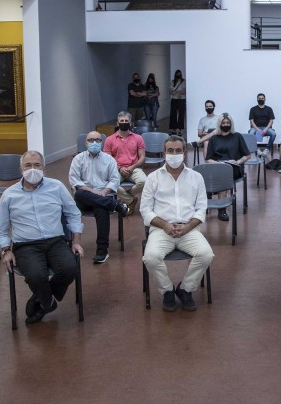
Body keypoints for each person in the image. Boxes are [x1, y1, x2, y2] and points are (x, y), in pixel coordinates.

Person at [0, 150, 84, 325]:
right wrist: (6, 250)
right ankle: (48, 303)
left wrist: (76, 241)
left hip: (56, 240)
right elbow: (1, 228)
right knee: (36, 275)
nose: (33, 169)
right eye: (28, 166)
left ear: (44, 168)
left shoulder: (57, 187)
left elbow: (73, 213)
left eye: (37, 165)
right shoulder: (9, 195)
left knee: (69, 269)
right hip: (26, 245)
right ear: (21, 170)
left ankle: (41, 298)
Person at [141, 135, 214, 312]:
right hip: (161, 229)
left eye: (178, 150)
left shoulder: (196, 177)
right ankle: (167, 290)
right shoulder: (153, 178)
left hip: (189, 228)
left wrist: (188, 227)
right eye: (170, 151)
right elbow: (145, 209)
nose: (174, 154)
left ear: (184, 152)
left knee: (206, 255)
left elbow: (201, 207)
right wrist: (165, 225)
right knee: (150, 258)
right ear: (164, 153)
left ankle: (185, 289)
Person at [69, 131, 129, 264]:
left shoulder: (109, 160)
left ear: (102, 142)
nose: (94, 143)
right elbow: (75, 182)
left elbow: (114, 180)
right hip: (84, 198)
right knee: (80, 193)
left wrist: (104, 192)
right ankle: (115, 204)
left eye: (97, 140)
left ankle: (102, 250)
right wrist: (94, 192)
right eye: (90, 140)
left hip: (103, 196)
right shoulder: (78, 159)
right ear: (85, 143)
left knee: (100, 207)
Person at [205, 113, 252, 221]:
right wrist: (219, 164)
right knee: (219, 173)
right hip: (218, 166)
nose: (226, 124)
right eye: (223, 123)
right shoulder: (214, 138)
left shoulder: (237, 136)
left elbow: (247, 155)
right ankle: (219, 202)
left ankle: (222, 209)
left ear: (231, 124)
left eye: (228, 123)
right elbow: (208, 159)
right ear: (219, 124)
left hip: (234, 167)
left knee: (223, 176)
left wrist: (237, 161)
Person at [103, 111, 147, 215]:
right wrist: (119, 168)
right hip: (116, 168)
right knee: (111, 184)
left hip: (134, 168)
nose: (124, 122)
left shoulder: (138, 138)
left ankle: (126, 196)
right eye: (121, 121)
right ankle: (131, 200)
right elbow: (108, 159)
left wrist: (132, 167)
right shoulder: (109, 139)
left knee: (144, 181)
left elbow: (142, 157)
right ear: (117, 123)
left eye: (126, 121)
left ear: (130, 123)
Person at [248, 92, 277, 157]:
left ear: (265, 99)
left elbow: (271, 120)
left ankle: (267, 149)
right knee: (251, 134)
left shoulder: (269, 109)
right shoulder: (253, 109)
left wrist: (266, 129)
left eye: (262, 98)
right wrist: (258, 130)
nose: (261, 99)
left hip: (266, 128)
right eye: (259, 98)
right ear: (257, 99)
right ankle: (257, 149)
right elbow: (252, 121)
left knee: (273, 134)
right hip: (255, 128)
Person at [168, 69, 186, 136]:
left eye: (179, 74)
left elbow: (184, 91)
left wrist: (175, 92)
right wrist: (178, 92)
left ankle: (180, 130)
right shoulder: (172, 82)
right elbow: (170, 92)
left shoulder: (184, 81)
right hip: (174, 99)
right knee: (173, 114)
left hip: (181, 99)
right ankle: (173, 129)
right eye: (177, 74)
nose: (178, 75)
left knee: (181, 114)